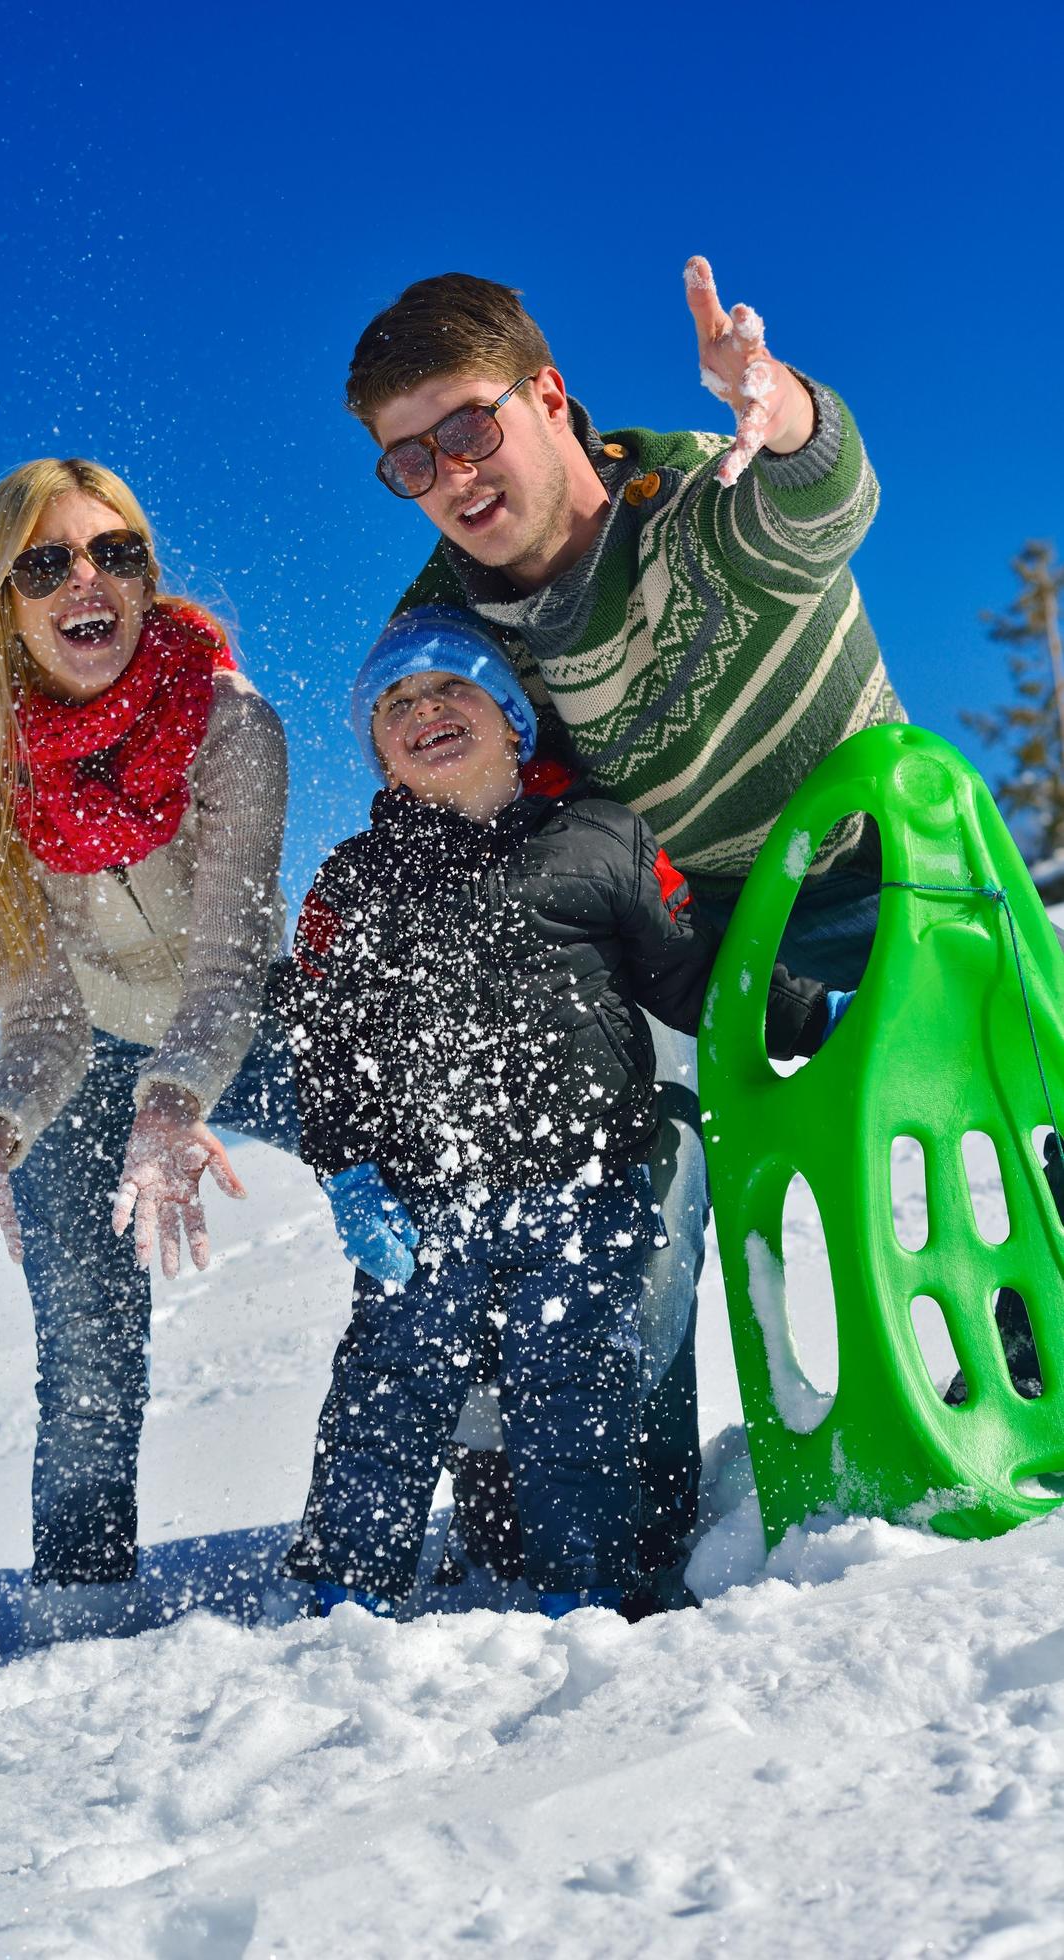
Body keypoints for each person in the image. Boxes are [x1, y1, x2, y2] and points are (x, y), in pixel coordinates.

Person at [342, 258, 900, 1598]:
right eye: (407, 458)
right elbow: (462, 822)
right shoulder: (449, 629)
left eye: (467, 424)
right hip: (688, 929)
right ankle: (615, 1525)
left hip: (868, 869)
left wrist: (793, 416)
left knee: (1012, 1043)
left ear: (550, 397)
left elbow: (819, 505)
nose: (449, 472)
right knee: (620, 1158)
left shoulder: (696, 497)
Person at [279, 608, 851, 1618]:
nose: (425, 712)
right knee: (387, 1389)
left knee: (572, 1397)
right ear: (378, 753)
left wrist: (812, 1014)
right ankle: (340, 1593)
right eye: (396, 705)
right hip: (424, 1204)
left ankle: (578, 1593)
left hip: (584, 1191)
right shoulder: (351, 884)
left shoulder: (597, 840)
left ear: (510, 717)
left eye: (450, 687)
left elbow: (696, 981)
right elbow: (326, 1048)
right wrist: (349, 1173)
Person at [0, 458, 294, 1640]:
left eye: (116, 553)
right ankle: (80, 1616)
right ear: (3, 603)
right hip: (98, 1054)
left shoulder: (231, 721)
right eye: (47, 561)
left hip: (250, 1024)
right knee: (85, 1354)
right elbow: (48, 1019)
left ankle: (494, 1483)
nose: (87, 578)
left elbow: (229, 965)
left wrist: (175, 1102)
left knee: (411, 1184)